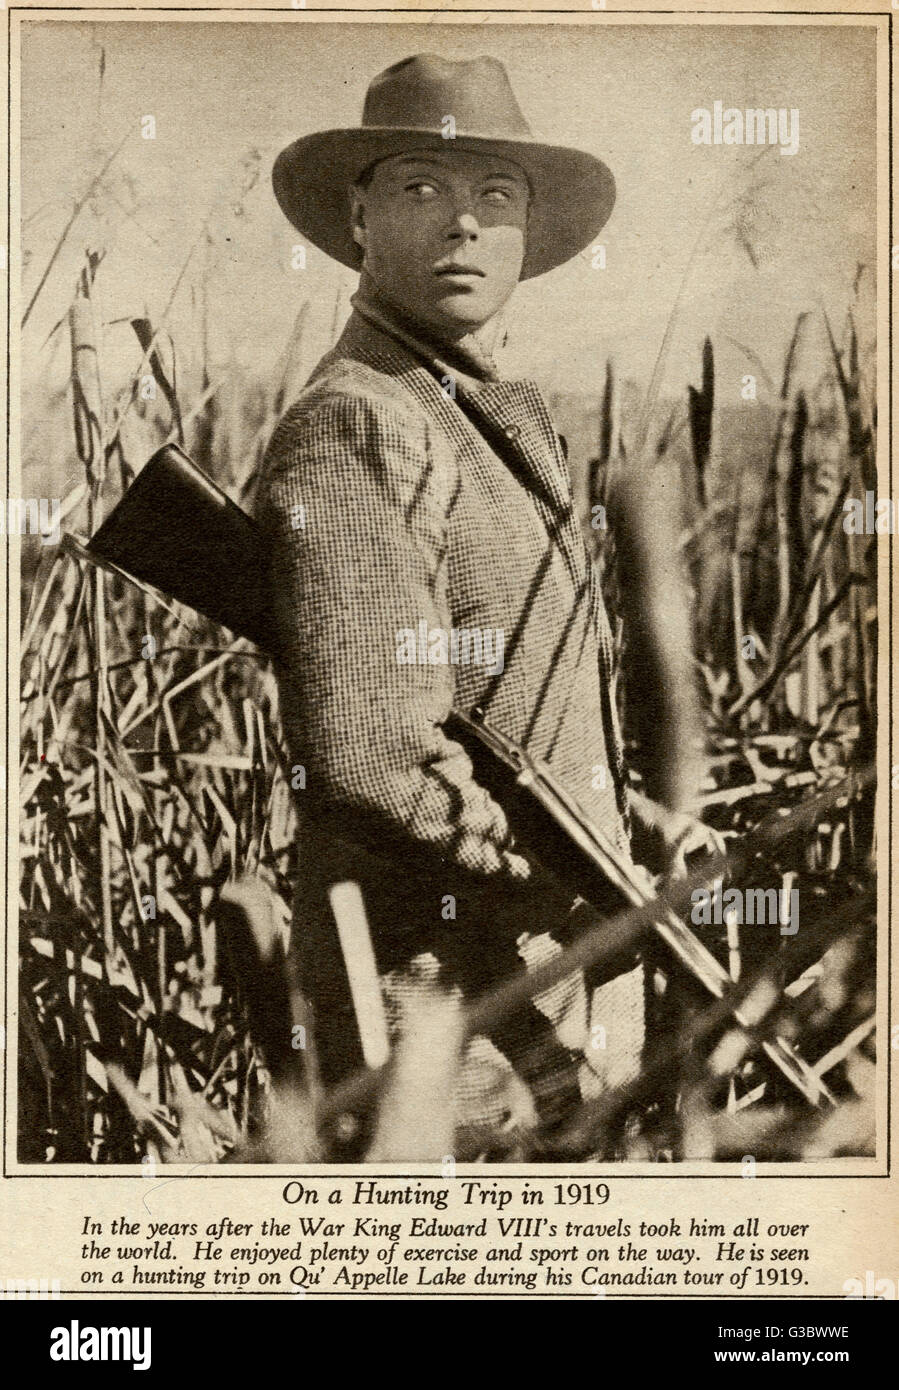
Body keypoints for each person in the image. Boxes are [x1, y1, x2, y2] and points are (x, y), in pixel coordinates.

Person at [257, 53, 718, 1156]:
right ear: (359, 216)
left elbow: (521, 716)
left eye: (493, 198)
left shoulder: (469, 411)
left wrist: (626, 831)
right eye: (420, 189)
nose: (462, 224)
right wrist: (585, 878)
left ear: (523, 235)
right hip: (440, 1013)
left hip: (533, 997)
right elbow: (376, 755)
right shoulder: (359, 421)